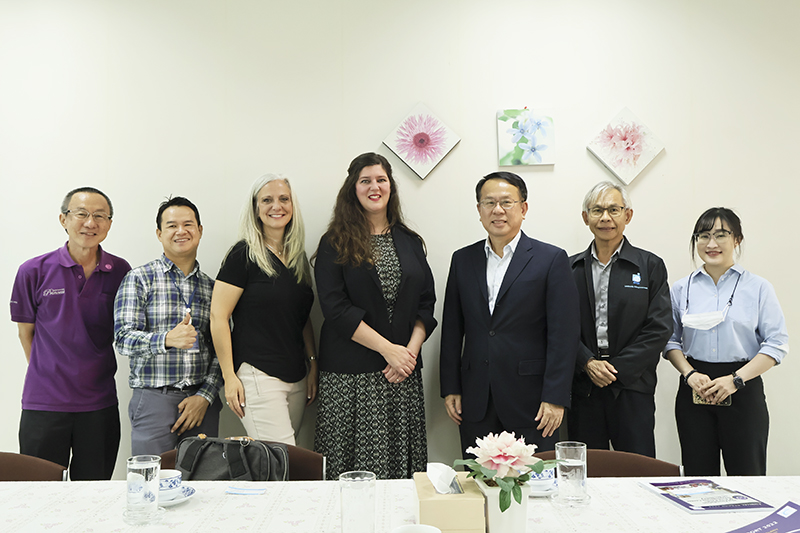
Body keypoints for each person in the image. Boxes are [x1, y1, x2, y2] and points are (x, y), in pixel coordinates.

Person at [313, 152, 436, 479]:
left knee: (399, 470)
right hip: (350, 375)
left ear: (391, 186)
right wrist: (388, 350)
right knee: (352, 469)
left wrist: (408, 352)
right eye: (365, 180)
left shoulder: (410, 241)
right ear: (352, 188)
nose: (374, 187)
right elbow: (335, 308)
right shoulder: (334, 242)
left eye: (381, 179)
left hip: (403, 373)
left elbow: (426, 302)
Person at [440, 171, 579, 456]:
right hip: (475, 397)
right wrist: (450, 386)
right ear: (479, 210)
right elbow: (453, 328)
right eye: (489, 203)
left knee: (535, 486)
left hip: (532, 402)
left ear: (523, 208)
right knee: (478, 484)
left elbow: (563, 335)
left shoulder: (551, 259)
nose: (497, 210)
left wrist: (555, 397)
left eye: (507, 202)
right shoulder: (462, 260)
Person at [10, 187, 131, 480]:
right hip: (44, 405)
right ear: (63, 219)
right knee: (37, 491)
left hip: (99, 405)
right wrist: (49, 371)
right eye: (82, 214)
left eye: (100, 216)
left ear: (109, 224)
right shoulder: (33, 271)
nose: (90, 223)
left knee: (94, 492)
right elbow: (25, 332)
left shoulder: (121, 272)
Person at [665, 208, 788, 476]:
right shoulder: (680, 288)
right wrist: (689, 374)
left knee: (748, 477)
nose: (711, 244)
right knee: (698, 479)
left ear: (737, 240)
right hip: (695, 387)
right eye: (703, 235)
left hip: (743, 388)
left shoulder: (758, 287)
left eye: (721, 235)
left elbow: (776, 343)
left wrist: (735, 380)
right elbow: (670, 341)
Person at [567, 182, 672, 457]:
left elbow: (659, 328)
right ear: (585, 217)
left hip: (633, 387)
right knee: (587, 472)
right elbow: (558, 327)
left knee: (639, 470)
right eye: (597, 210)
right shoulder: (568, 268)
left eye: (614, 209)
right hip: (583, 387)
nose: (605, 218)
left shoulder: (650, 266)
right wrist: (587, 362)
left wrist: (615, 370)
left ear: (628, 215)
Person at [210, 174, 316, 446]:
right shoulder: (242, 255)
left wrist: (313, 364)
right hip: (257, 375)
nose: (276, 206)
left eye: (283, 199)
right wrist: (229, 377)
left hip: (297, 375)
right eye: (266, 200)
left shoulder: (297, 257)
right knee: (282, 462)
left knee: (282, 463)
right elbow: (218, 317)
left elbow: (302, 317)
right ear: (256, 209)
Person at [114, 196, 222, 456]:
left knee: (202, 481)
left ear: (200, 230)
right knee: (150, 482)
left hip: (201, 399)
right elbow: (122, 339)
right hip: (153, 398)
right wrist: (165, 340)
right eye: (172, 225)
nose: (181, 231)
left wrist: (205, 395)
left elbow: (223, 348)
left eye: (188, 224)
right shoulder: (139, 278)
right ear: (159, 233)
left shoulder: (212, 287)